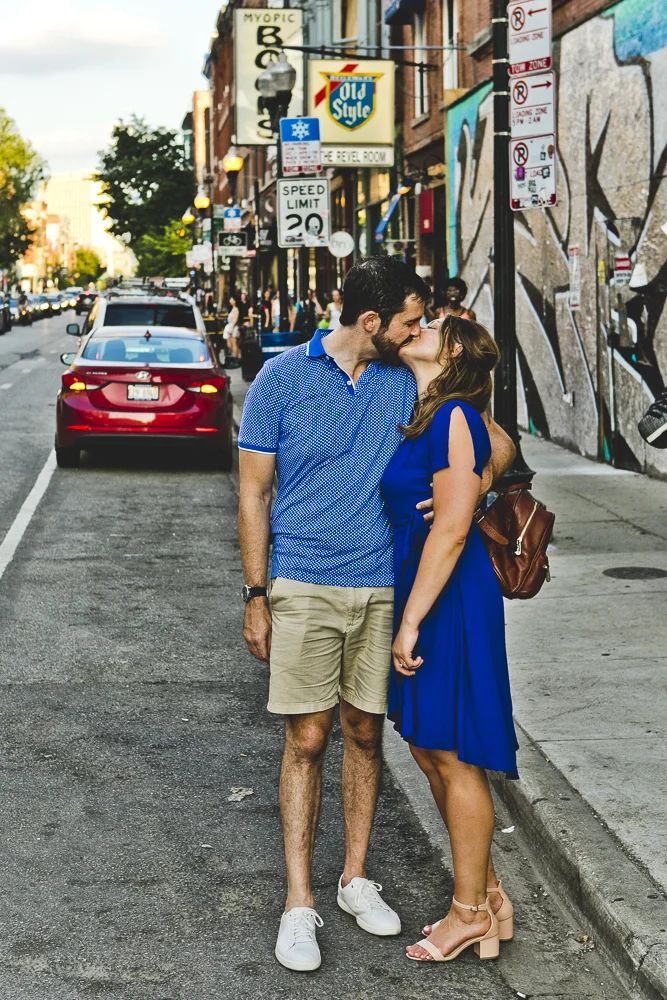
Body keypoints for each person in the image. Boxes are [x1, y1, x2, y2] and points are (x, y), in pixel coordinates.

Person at [237, 257, 516, 972]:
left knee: (365, 734)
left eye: (423, 323)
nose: (418, 329)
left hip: (384, 589)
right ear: (372, 323)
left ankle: (355, 879)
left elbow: (496, 441)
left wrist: (473, 487)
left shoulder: (410, 378)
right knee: (306, 739)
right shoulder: (280, 379)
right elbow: (252, 494)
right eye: (409, 320)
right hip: (302, 582)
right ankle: (299, 902)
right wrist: (256, 592)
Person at [382, 314, 518, 963]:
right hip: (427, 589)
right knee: (426, 746)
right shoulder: (434, 414)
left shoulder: (453, 417)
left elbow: (453, 529)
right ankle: (488, 896)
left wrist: (410, 620)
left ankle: (466, 914)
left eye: (431, 324)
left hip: (448, 598)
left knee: (451, 752)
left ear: (455, 349)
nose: (418, 326)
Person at [223, 293, 241, 358]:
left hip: (233, 328)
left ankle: (236, 357)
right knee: (229, 343)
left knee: (234, 343)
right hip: (230, 327)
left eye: (231, 299)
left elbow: (235, 319)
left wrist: (232, 328)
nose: (230, 301)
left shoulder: (236, 309)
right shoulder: (232, 309)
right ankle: (237, 355)